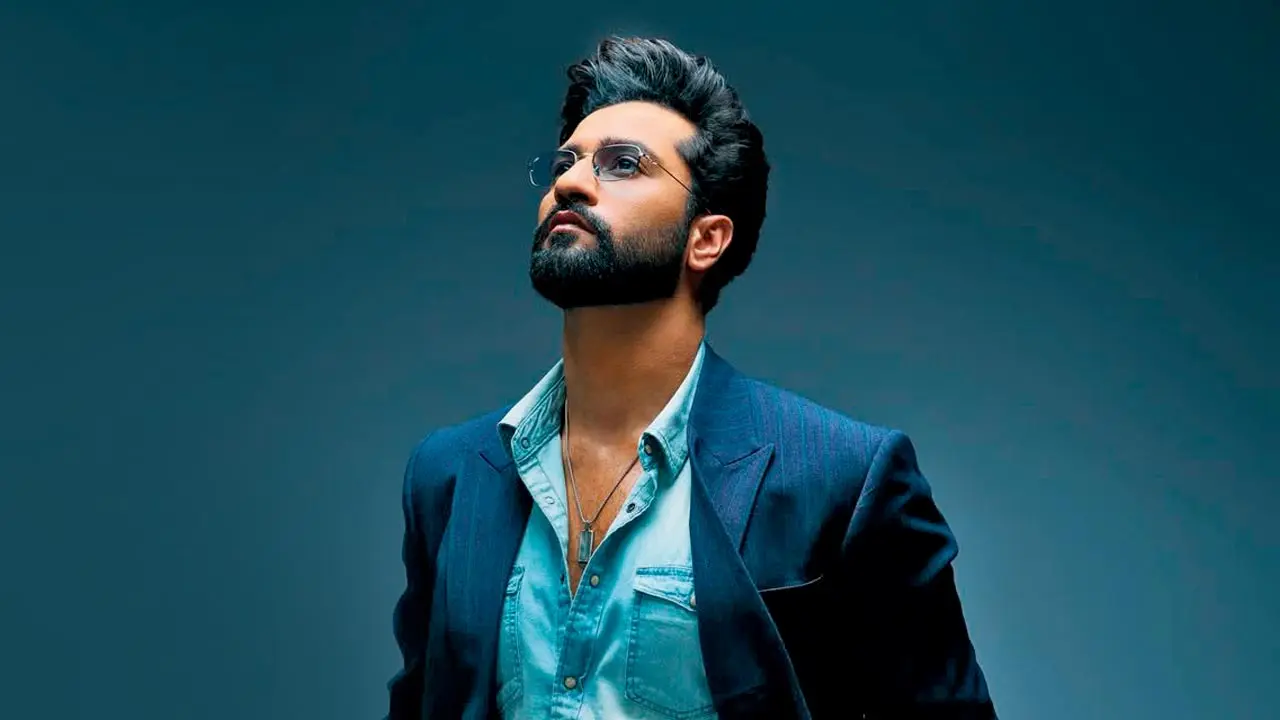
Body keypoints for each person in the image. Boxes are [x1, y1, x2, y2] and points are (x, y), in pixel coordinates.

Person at [386, 36, 997, 720]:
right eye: (566, 162)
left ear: (706, 238)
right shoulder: (449, 475)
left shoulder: (842, 479)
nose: (571, 183)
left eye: (623, 164)